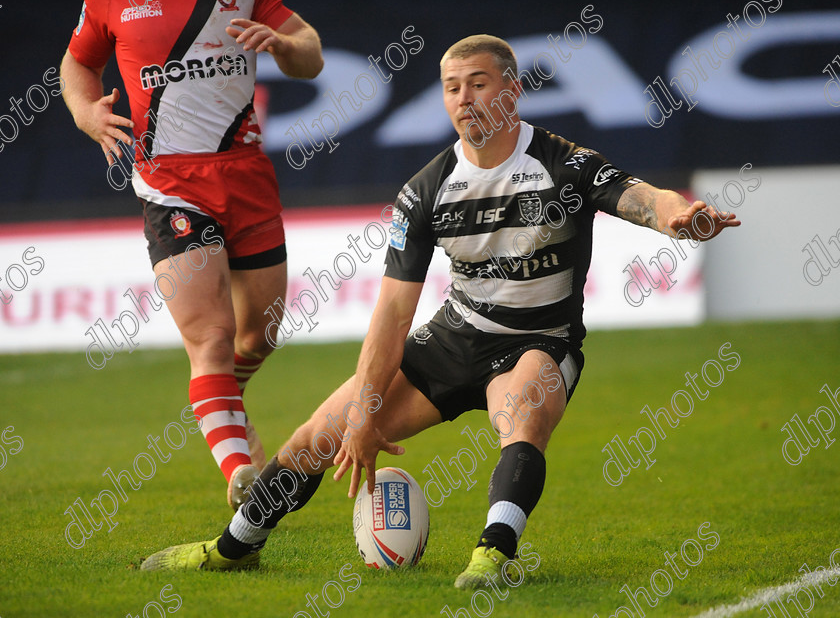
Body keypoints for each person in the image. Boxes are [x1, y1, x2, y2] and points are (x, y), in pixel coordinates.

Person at [139, 34, 739, 587]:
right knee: (318, 437)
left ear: (512, 90)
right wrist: (364, 412)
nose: (464, 99)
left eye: (478, 84)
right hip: (454, 338)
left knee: (521, 414)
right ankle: (233, 549)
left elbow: (639, 195)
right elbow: (393, 315)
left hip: (540, 339)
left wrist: (675, 215)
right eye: (453, 88)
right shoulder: (426, 191)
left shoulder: (563, 164)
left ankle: (493, 554)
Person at [60, 0, 323, 510]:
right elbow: (77, 63)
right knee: (213, 337)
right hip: (169, 185)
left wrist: (282, 45)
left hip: (247, 176)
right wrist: (86, 113)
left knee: (263, 331)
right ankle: (241, 471)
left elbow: (310, 55)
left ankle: (225, 398)